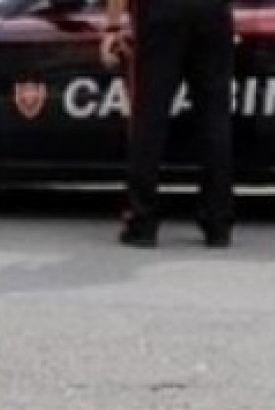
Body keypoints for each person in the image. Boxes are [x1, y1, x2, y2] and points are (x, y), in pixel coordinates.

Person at [100, 0, 235, 248]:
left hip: (161, 12)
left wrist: (112, 27)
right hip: (213, 11)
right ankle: (218, 223)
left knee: (149, 116)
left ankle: (142, 222)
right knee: (214, 117)